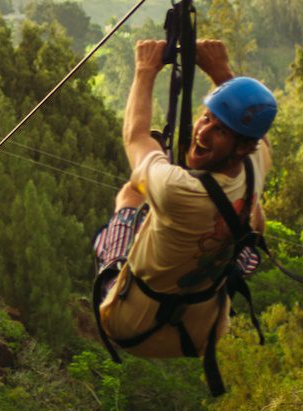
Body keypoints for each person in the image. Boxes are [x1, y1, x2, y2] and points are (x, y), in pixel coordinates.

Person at [91, 39, 272, 386]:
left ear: (243, 145)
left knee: (131, 195)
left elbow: (135, 136)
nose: (203, 132)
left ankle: (116, 264)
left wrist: (145, 71)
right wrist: (222, 73)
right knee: (248, 226)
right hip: (202, 329)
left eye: (220, 130)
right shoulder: (256, 161)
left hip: (130, 323)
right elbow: (257, 133)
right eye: (207, 118)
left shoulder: (177, 188)